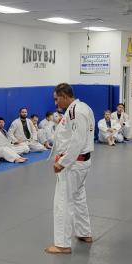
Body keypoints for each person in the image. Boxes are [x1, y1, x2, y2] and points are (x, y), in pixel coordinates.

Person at [45, 83, 95, 255]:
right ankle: (84, 233)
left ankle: (62, 244)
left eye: (56, 99)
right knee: (78, 197)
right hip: (81, 162)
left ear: (64, 96)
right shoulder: (83, 107)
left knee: (63, 201)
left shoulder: (76, 111)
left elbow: (77, 140)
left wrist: (63, 162)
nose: (55, 103)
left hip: (73, 164)